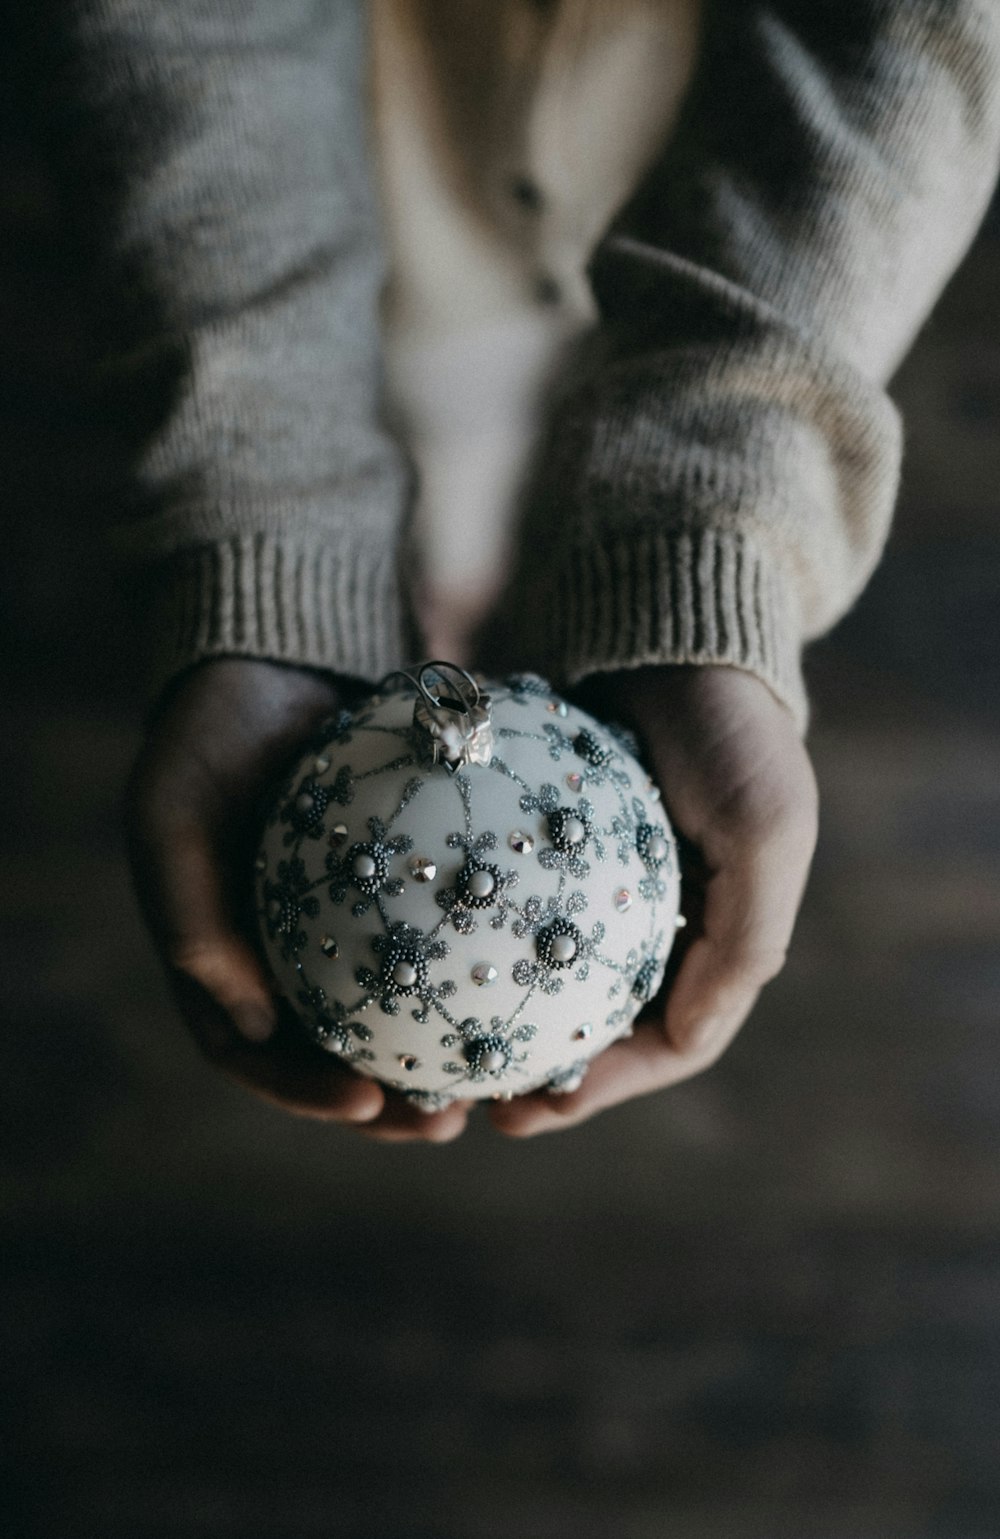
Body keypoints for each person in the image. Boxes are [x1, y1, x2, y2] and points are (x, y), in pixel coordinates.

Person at [68, 0, 1000, 1141]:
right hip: (344, 191)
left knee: (483, 464)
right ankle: (445, 575)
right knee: (435, 446)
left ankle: (463, 576)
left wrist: (697, 538)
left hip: (716, 178)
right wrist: (268, 533)